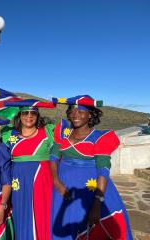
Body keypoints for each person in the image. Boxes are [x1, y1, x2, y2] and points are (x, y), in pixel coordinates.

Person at [50, 95, 133, 240]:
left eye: (81, 111)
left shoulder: (100, 137)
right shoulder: (63, 132)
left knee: (89, 230)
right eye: (73, 111)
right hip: (63, 189)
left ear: (90, 115)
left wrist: (97, 205)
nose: (76, 114)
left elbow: (103, 170)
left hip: (89, 190)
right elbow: (54, 157)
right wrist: (56, 181)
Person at [1, 99, 56, 240]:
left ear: (38, 116)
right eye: (25, 113)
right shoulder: (9, 134)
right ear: (19, 115)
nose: (29, 116)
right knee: (21, 213)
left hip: (42, 181)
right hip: (18, 182)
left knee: (42, 213)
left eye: (33, 113)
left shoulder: (48, 131)